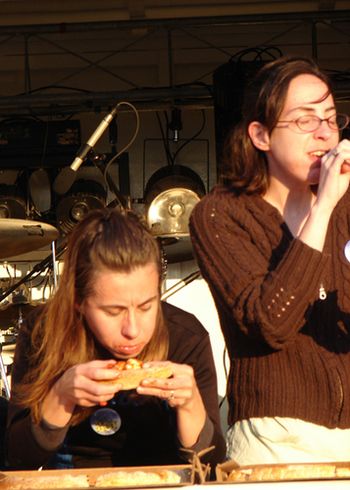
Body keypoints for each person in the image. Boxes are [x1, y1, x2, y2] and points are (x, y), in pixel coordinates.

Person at [189, 56, 350, 465]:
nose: (325, 134)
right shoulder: (220, 214)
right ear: (260, 135)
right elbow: (270, 322)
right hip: (274, 439)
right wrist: (324, 207)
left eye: (332, 119)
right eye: (305, 121)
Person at [5, 207, 225, 472]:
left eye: (146, 307)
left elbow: (212, 465)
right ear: (79, 302)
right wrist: (61, 395)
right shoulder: (43, 333)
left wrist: (190, 407)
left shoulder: (185, 336)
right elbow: (18, 460)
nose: (132, 329)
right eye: (113, 311)